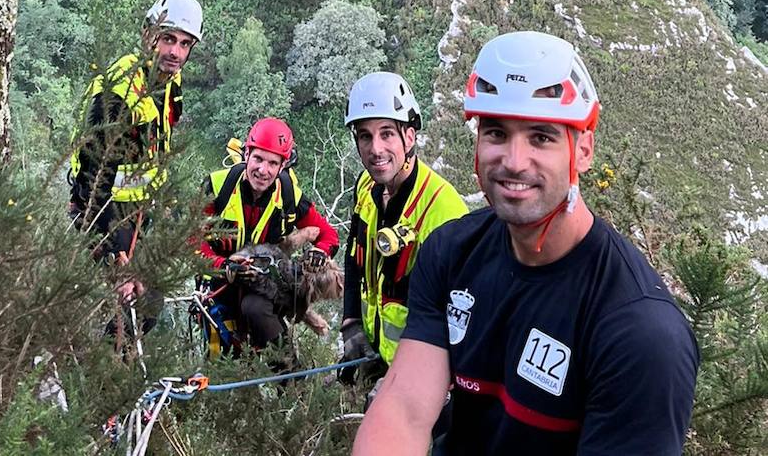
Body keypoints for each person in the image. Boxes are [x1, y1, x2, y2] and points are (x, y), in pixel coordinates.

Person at [353, 31, 699, 456]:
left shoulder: (641, 331)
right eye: (496, 133)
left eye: (541, 137)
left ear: (583, 149)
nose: (514, 161)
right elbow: (404, 411)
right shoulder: (451, 254)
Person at [68, 0, 203, 312]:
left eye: (185, 44)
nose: (175, 52)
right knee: (130, 308)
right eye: (168, 39)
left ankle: (117, 359)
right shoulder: (120, 90)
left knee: (147, 306)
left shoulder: (170, 83)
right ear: (148, 36)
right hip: (102, 212)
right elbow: (93, 175)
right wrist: (114, 250)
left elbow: (157, 146)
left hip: (140, 212)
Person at [340, 72, 468, 387]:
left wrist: (413, 383)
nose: (375, 149)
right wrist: (352, 323)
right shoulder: (365, 187)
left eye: (387, 134)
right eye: (365, 136)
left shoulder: (444, 209)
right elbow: (355, 257)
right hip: (375, 351)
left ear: (409, 137)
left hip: (422, 375)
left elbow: (459, 316)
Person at [197, 117, 340, 351]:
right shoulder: (217, 186)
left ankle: (290, 378)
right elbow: (191, 239)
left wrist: (319, 253)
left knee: (255, 309)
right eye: (258, 159)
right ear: (246, 155)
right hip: (220, 283)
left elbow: (328, 235)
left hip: (266, 286)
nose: (263, 170)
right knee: (222, 354)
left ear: (282, 166)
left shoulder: (288, 195)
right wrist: (222, 265)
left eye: (273, 163)